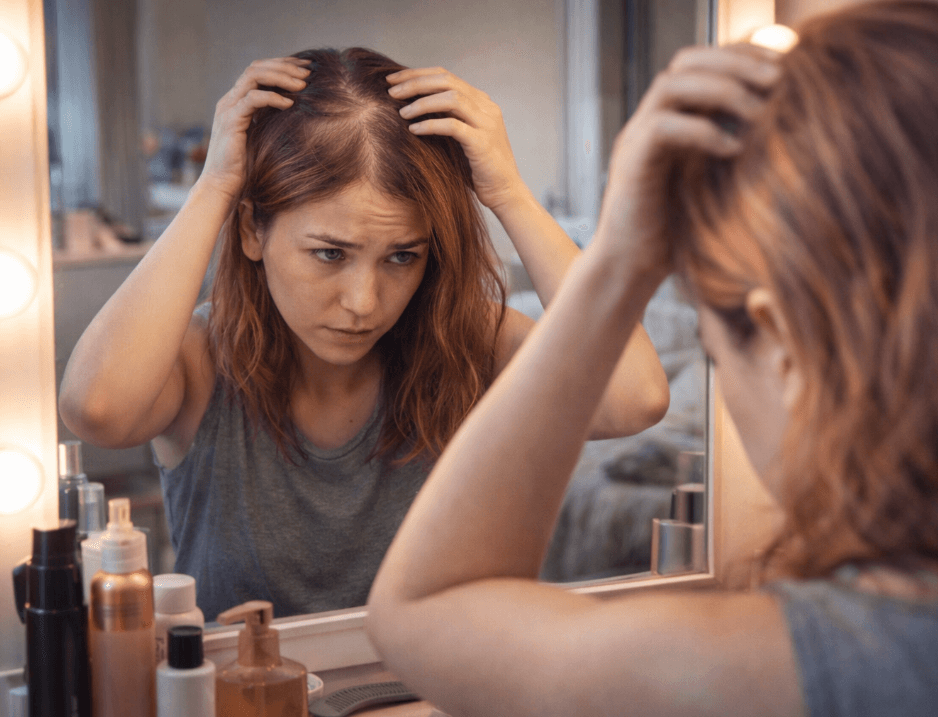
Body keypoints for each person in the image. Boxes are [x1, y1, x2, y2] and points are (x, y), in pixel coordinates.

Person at [365, 2, 938, 714]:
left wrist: (620, 258)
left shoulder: (804, 664)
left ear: (785, 346)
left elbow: (428, 607)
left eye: (712, 346)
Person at [59, 48, 669, 618]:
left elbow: (633, 399)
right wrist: (215, 188)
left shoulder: (465, 344)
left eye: (402, 257)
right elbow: (97, 409)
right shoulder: (199, 358)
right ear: (252, 231)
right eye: (329, 254)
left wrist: (509, 194)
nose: (364, 302)